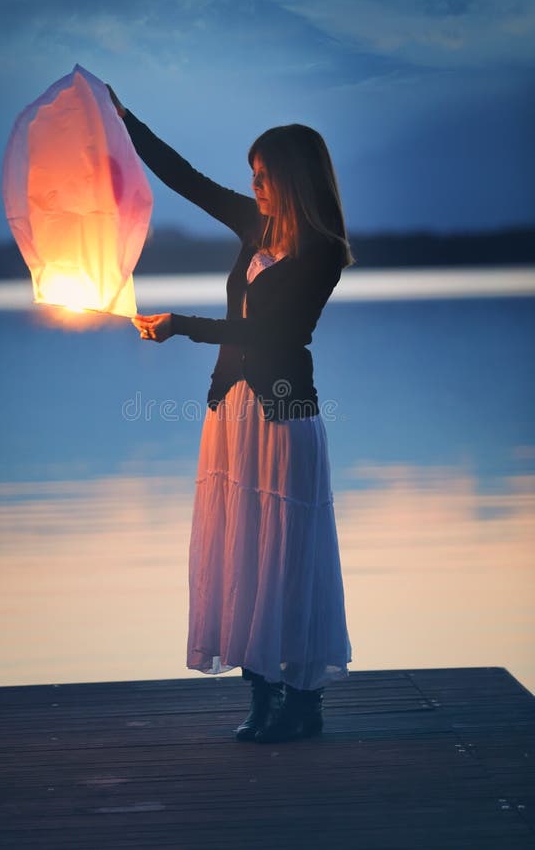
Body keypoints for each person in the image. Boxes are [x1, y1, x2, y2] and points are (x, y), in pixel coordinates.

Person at [107, 84, 354, 743]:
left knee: (288, 556)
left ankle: (303, 703)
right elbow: (183, 177)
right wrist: (126, 120)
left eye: (265, 176)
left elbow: (271, 334)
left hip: (284, 413)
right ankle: (261, 696)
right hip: (234, 412)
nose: (257, 187)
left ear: (294, 178)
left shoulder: (322, 251)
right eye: (253, 177)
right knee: (245, 550)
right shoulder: (257, 226)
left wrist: (179, 325)